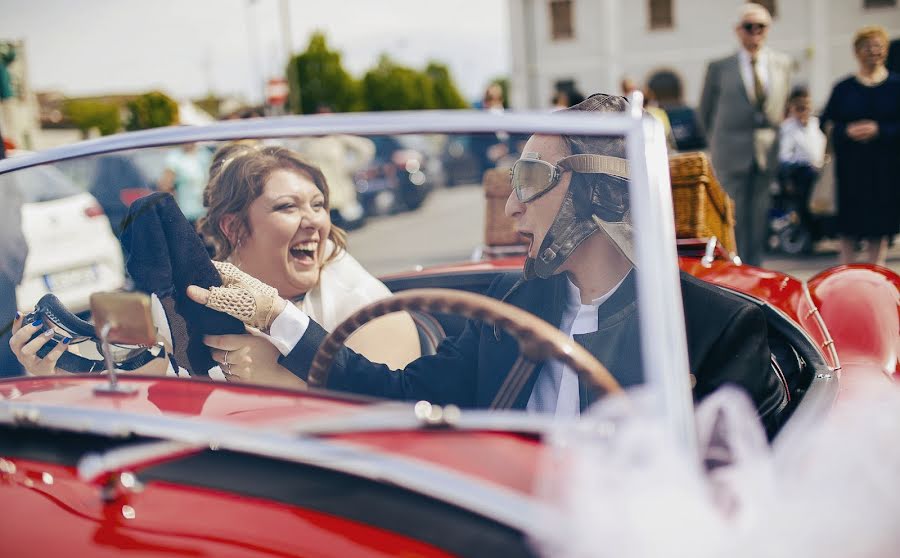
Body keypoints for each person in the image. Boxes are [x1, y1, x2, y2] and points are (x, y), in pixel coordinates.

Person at [188, 94, 786, 435]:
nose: (512, 205)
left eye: (530, 180)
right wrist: (275, 316)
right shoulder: (509, 304)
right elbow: (394, 391)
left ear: (597, 193)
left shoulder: (715, 327)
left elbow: (740, 504)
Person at [9, 144, 421, 379]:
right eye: (287, 207)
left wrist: (277, 377)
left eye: (318, 204)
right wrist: (51, 373)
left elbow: (390, 423)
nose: (313, 220)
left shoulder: (369, 309)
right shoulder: (196, 295)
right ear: (233, 226)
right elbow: (150, 389)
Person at [698, 3, 792, 266]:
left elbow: (781, 106)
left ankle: (755, 267)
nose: (754, 32)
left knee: (759, 217)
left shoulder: (782, 63)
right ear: (738, 30)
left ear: (768, 29)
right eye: (748, 27)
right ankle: (732, 268)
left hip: (766, 151)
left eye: (760, 27)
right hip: (730, 152)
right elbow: (705, 112)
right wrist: (718, 142)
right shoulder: (720, 67)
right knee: (731, 217)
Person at [820, 26, 900, 267]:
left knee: (880, 226)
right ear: (856, 52)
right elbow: (826, 121)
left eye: (878, 47)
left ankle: (877, 271)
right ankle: (845, 270)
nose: (873, 52)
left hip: (885, 168)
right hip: (850, 169)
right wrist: (846, 131)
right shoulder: (843, 88)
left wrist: (880, 130)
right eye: (867, 47)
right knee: (848, 227)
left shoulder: (896, 86)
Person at [776, 86, 827, 248]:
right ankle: (811, 232)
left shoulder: (816, 124)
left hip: (820, 170)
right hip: (799, 173)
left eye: (806, 107)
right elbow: (784, 156)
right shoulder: (787, 128)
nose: (803, 111)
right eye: (799, 107)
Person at [157, 142, 212, 228]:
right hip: (185, 214)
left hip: (204, 214)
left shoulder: (204, 154)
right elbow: (165, 185)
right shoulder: (174, 157)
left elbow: (211, 182)